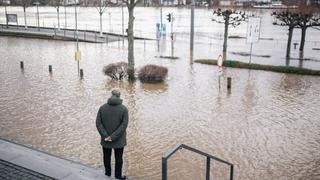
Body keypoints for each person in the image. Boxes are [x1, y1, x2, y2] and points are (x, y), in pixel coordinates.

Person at [96, 89, 128, 180]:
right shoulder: (124, 109)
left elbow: (98, 123)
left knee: (106, 157)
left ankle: (107, 173)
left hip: (105, 139)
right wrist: (113, 137)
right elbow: (124, 125)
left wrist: (106, 136)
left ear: (111, 95)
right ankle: (118, 176)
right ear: (119, 96)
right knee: (118, 158)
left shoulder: (102, 108)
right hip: (119, 140)